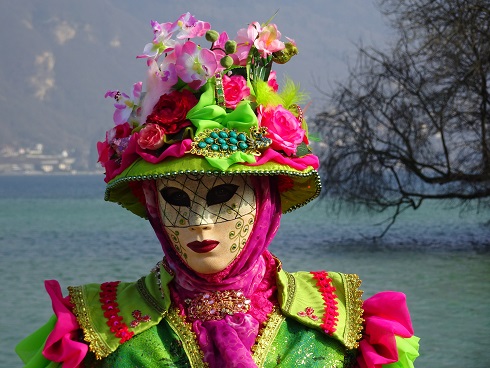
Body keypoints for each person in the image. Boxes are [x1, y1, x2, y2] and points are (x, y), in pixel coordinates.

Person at [16, 13, 419, 368]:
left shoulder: (348, 326)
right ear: (154, 206)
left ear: (266, 202)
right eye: (175, 199)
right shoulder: (94, 334)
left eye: (223, 195)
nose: (199, 222)